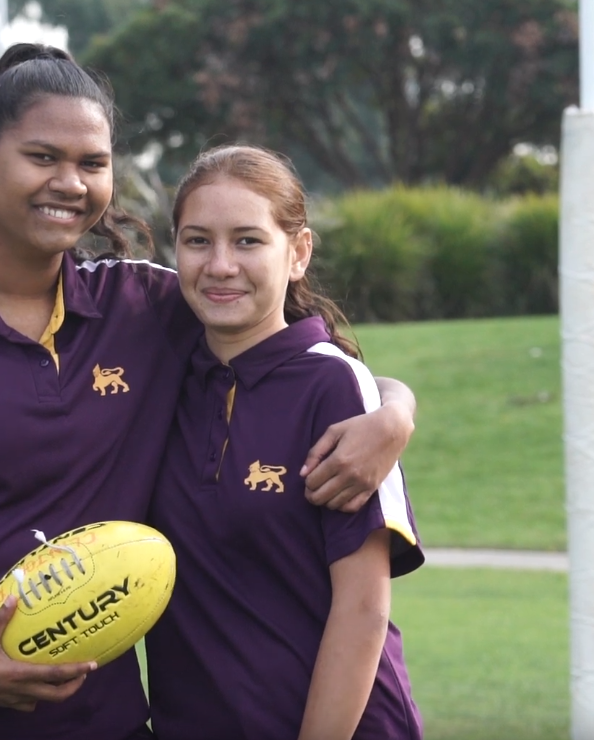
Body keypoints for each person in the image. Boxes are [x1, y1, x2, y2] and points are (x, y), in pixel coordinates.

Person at [0, 44, 413, 740]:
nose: (68, 183)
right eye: (42, 157)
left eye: (92, 164)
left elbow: (292, 355)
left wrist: (395, 411)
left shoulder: (147, 308)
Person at [145, 145, 424, 740]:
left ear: (297, 253)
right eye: (197, 241)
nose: (220, 265)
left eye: (248, 240)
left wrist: (395, 409)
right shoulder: (161, 373)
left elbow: (364, 611)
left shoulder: (332, 384)